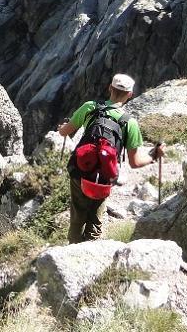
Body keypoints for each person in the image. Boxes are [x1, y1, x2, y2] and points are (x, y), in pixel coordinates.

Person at [57, 73, 161, 244]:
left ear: (110, 88)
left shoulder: (90, 107)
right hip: (104, 176)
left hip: (80, 169)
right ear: (130, 95)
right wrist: (154, 156)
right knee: (96, 218)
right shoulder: (129, 123)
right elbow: (135, 163)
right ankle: (90, 248)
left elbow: (64, 132)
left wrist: (62, 127)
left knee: (77, 215)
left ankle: (73, 247)